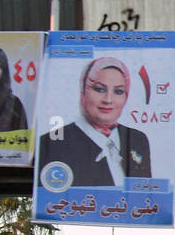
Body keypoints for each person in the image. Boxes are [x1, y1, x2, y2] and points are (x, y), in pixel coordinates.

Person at [37, 56, 150, 186]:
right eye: (99, 89)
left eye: (118, 91)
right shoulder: (53, 143)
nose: (108, 100)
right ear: (83, 92)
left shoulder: (137, 139)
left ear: (126, 96)